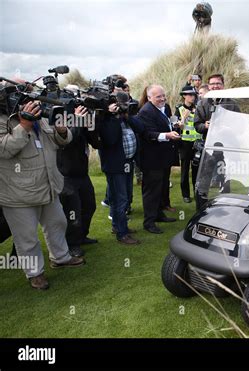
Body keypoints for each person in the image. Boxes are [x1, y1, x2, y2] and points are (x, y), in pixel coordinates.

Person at [0, 100, 84, 290]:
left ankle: (61, 258)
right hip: (18, 193)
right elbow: (4, 150)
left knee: (58, 223)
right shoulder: (4, 120)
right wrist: (24, 126)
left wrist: (62, 131)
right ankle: (35, 273)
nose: (31, 100)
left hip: (48, 186)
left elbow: (61, 140)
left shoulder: (41, 117)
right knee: (27, 237)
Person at [57, 105, 101, 257]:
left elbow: (96, 143)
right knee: (72, 212)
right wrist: (77, 119)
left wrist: (90, 125)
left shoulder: (80, 121)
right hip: (66, 175)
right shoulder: (60, 120)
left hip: (82, 173)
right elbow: (68, 140)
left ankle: (81, 236)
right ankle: (72, 244)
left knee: (89, 206)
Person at [98, 98, 143, 245]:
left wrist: (126, 115)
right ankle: (121, 233)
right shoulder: (105, 121)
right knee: (120, 199)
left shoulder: (125, 119)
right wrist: (113, 116)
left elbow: (141, 128)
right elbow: (111, 139)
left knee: (125, 197)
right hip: (115, 166)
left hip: (127, 163)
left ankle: (119, 227)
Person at [138, 85, 179, 234]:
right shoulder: (145, 112)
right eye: (158, 97)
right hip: (151, 159)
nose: (162, 98)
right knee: (151, 191)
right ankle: (149, 222)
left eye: (163, 95)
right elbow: (148, 134)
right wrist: (167, 135)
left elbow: (165, 124)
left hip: (163, 157)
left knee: (161, 188)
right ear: (149, 98)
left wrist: (173, 127)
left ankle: (159, 215)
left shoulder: (165, 107)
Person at [194, 74, 240, 209]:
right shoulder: (202, 103)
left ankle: (225, 208)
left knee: (225, 180)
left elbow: (240, 125)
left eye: (218, 83)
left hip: (227, 148)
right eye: (212, 84)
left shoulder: (232, 104)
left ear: (223, 85)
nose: (215, 86)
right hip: (209, 148)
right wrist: (205, 126)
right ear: (208, 86)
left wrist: (230, 127)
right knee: (204, 181)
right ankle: (202, 209)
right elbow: (197, 125)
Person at [175, 86, 201, 203]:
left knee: (197, 170)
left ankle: (197, 193)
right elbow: (176, 126)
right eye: (190, 95)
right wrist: (183, 119)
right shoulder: (179, 109)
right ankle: (185, 194)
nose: (192, 97)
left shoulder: (198, 108)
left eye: (194, 95)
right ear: (184, 96)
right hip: (184, 144)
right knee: (185, 170)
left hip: (197, 143)